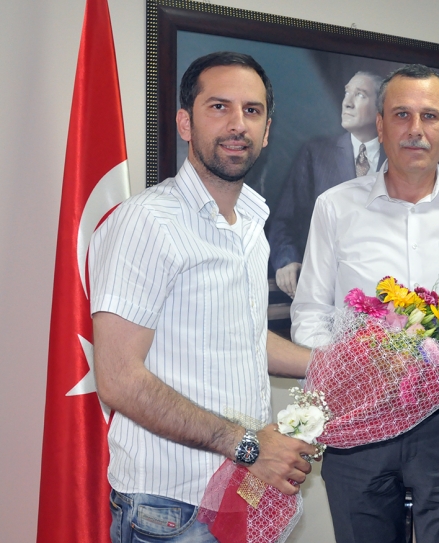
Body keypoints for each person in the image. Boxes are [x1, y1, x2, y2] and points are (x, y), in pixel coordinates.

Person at [290, 64, 439, 543]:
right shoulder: (335, 206)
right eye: (401, 114)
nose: (415, 129)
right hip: (359, 427)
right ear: (380, 126)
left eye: (429, 116)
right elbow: (310, 314)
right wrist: (351, 369)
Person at [89, 51, 317, 543]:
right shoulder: (147, 222)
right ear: (184, 123)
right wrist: (250, 446)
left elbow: (242, 336)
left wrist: (333, 364)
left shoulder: (251, 223)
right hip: (170, 508)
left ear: (267, 130)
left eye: (251, 111)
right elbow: (119, 380)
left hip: (240, 495)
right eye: (219, 107)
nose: (237, 124)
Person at [268, 71, 386, 298]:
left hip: (385, 294)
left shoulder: (398, 159)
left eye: (360, 95)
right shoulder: (316, 154)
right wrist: (287, 260)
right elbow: (284, 221)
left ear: (380, 108)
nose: (347, 103)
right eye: (347, 92)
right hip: (325, 291)